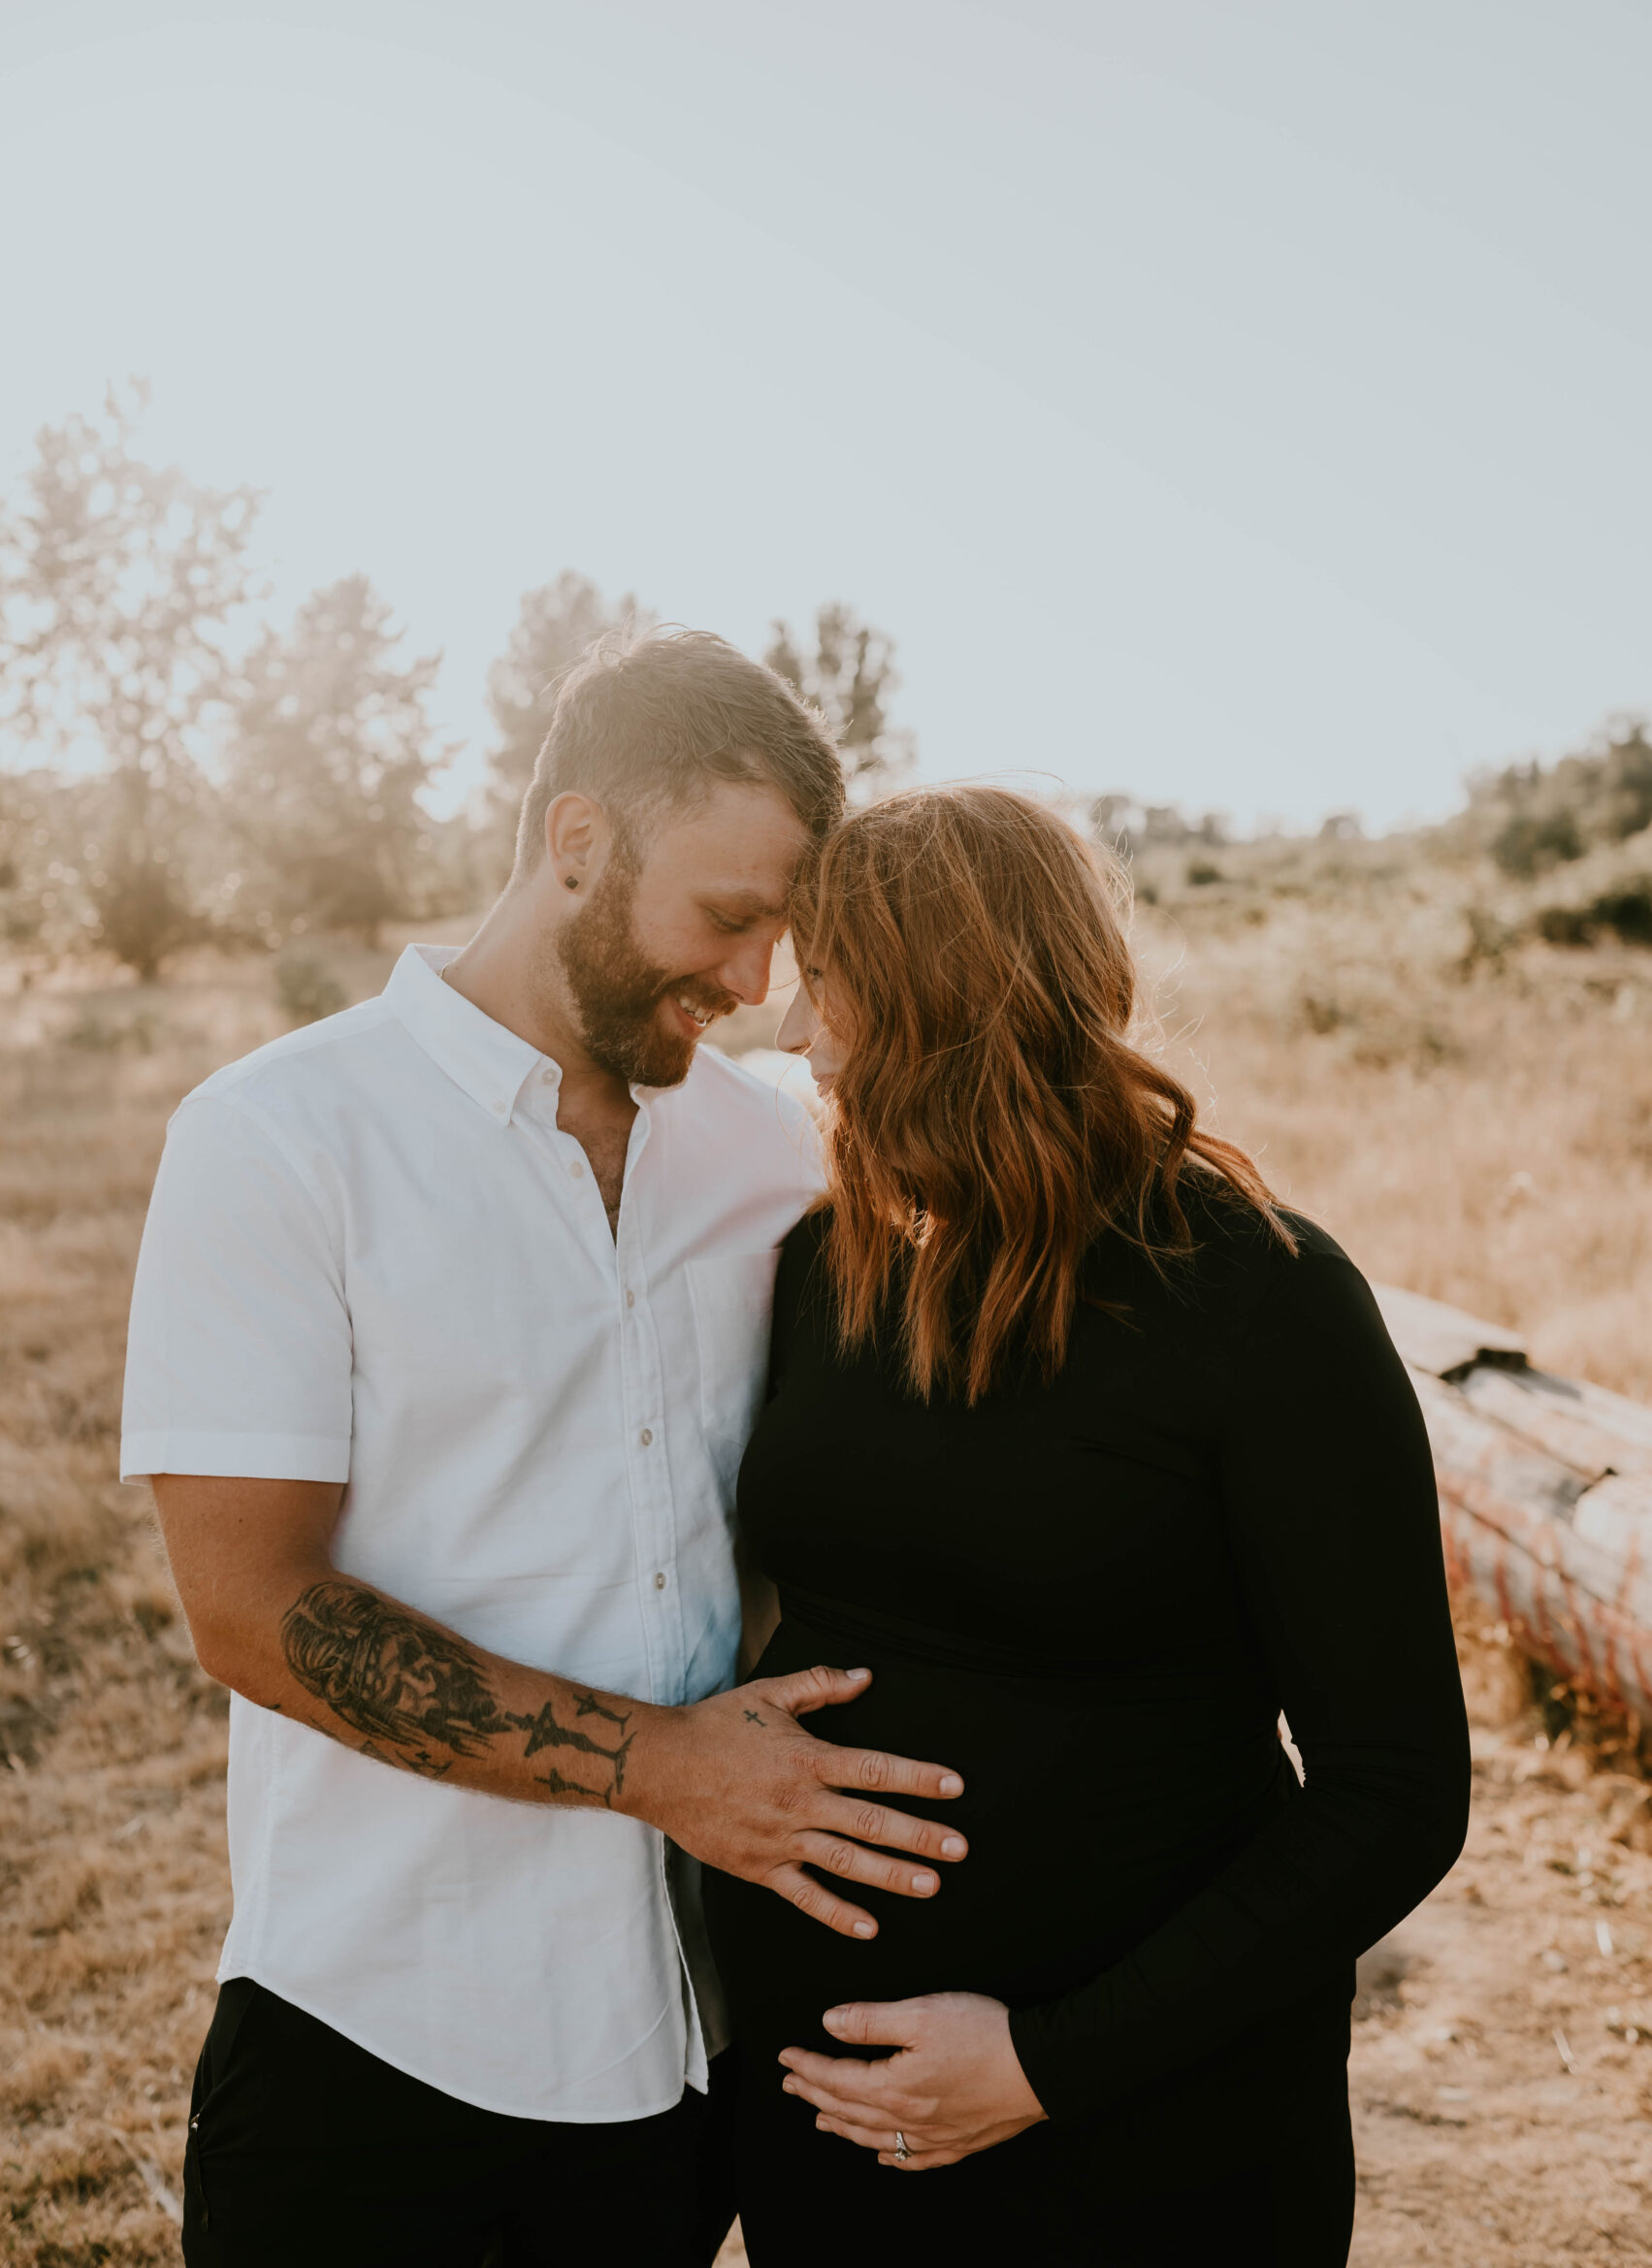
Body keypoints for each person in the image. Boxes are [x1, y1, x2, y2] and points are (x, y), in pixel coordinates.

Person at [120, 630, 972, 2268]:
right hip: (379, 2032)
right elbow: (251, 1607)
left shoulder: (766, 1154)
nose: (750, 989)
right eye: (728, 921)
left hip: (688, 2040)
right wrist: (668, 1770)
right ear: (577, 842)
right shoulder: (279, 1139)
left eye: (778, 943)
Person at [703, 786, 1472, 2268]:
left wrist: (1049, 2064)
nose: (796, 1034)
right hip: (835, 2124)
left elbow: (1396, 1790)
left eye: (832, 983)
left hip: (1151, 2134)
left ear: (943, 1000)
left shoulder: (1263, 1300)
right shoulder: (827, 1268)